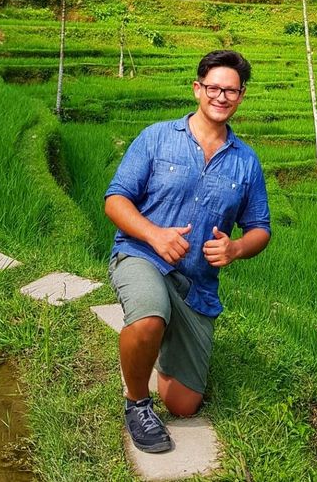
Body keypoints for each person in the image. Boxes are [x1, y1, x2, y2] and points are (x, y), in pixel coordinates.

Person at [104, 49, 271, 453]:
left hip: (196, 284)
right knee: (148, 315)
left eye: (231, 90)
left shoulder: (246, 162)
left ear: (241, 96)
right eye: (213, 87)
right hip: (142, 256)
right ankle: (136, 402)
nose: (221, 96)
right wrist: (155, 234)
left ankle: (153, 347)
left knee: (184, 404)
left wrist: (235, 248)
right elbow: (115, 201)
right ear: (198, 89)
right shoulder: (157, 137)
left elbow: (260, 229)